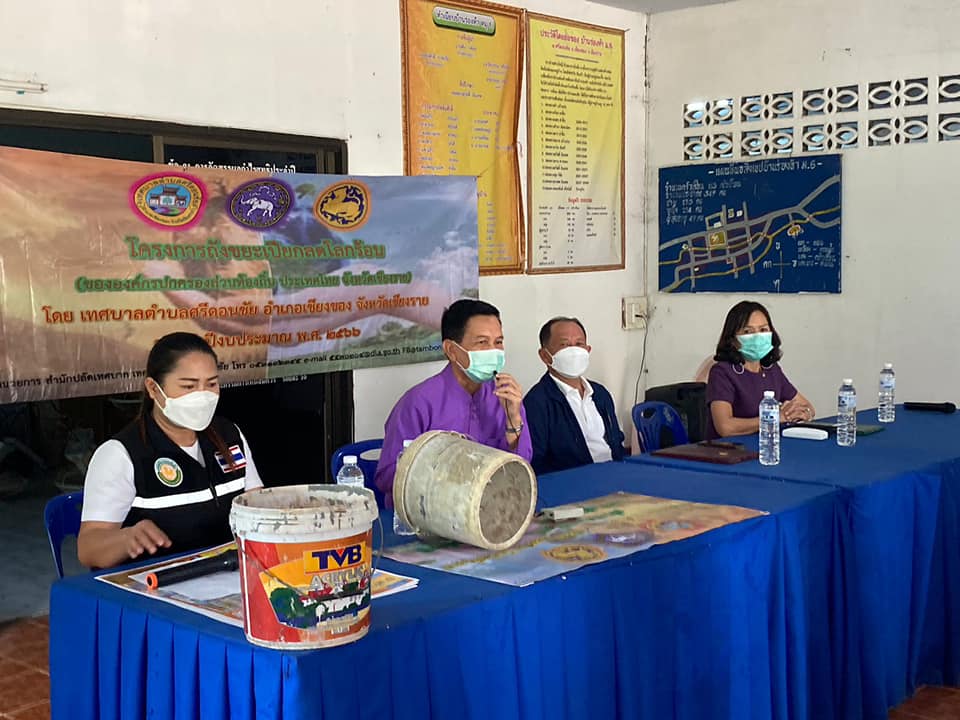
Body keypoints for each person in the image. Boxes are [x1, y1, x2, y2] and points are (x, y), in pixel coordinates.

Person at [77, 332, 263, 569]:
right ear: (154, 389)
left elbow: (259, 508)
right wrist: (126, 538)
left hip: (228, 575)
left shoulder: (229, 436)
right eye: (188, 386)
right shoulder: (121, 454)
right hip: (156, 582)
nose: (202, 396)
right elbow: (89, 549)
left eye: (211, 384)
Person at [374, 299, 532, 507]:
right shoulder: (418, 402)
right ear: (451, 350)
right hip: (431, 513)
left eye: (498, 342)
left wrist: (514, 419)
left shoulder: (505, 395)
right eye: (482, 342)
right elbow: (387, 478)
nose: (493, 351)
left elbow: (521, 468)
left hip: (492, 509)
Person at [524, 317, 625, 474]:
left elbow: (617, 442)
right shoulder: (537, 403)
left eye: (579, 344)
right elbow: (537, 462)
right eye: (564, 345)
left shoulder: (600, 393)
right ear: (545, 355)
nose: (573, 351)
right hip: (575, 482)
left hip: (615, 474)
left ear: (588, 350)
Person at [706, 301, 815, 439]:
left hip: (768, 443)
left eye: (763, 330)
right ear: (733, 340)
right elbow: (725, 427)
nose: (757, 337)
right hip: (730, 449)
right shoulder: (722, 372)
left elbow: (807, 406)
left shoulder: (771, 369)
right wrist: (775, 418)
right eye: (748, 331)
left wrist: (801, 413)